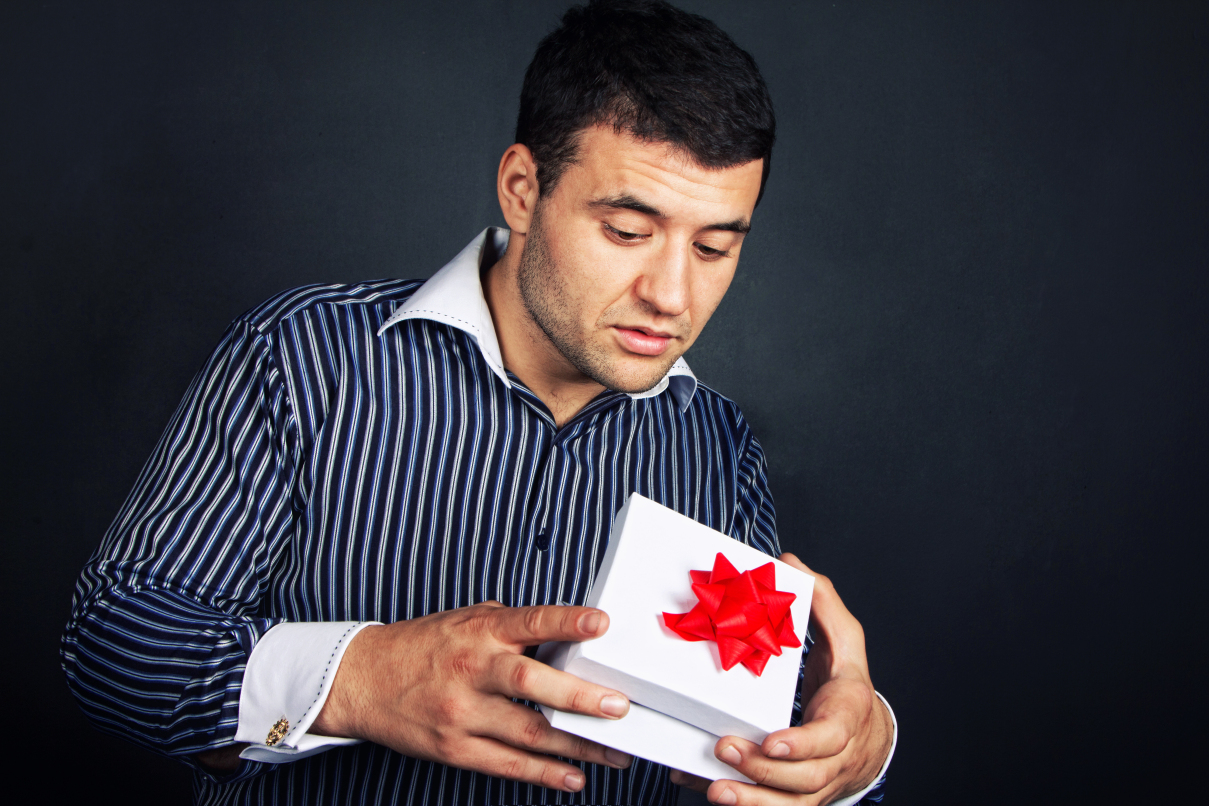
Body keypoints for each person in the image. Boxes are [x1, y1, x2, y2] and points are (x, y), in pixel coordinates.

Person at [62, 2, 896, 804]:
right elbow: (110, 643)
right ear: (522, 189)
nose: (673, 295)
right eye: (627, 231)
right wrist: (359, 678)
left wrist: (850, 751)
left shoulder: (719, 446)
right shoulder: (300, 357)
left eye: (714, 246)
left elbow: (752, 735)